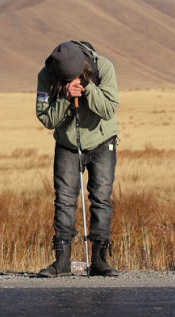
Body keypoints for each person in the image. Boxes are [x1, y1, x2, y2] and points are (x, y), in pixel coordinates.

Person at [35, 40, 120, 277]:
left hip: (103, 141)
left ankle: (100, 260)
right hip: (67, 144)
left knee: (101, 199)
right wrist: (63, 98)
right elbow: (46, 118)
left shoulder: (103, 67)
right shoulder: (46, 75)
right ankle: (62, 261)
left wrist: (87, 88)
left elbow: (108, 109)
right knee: (63, 201)